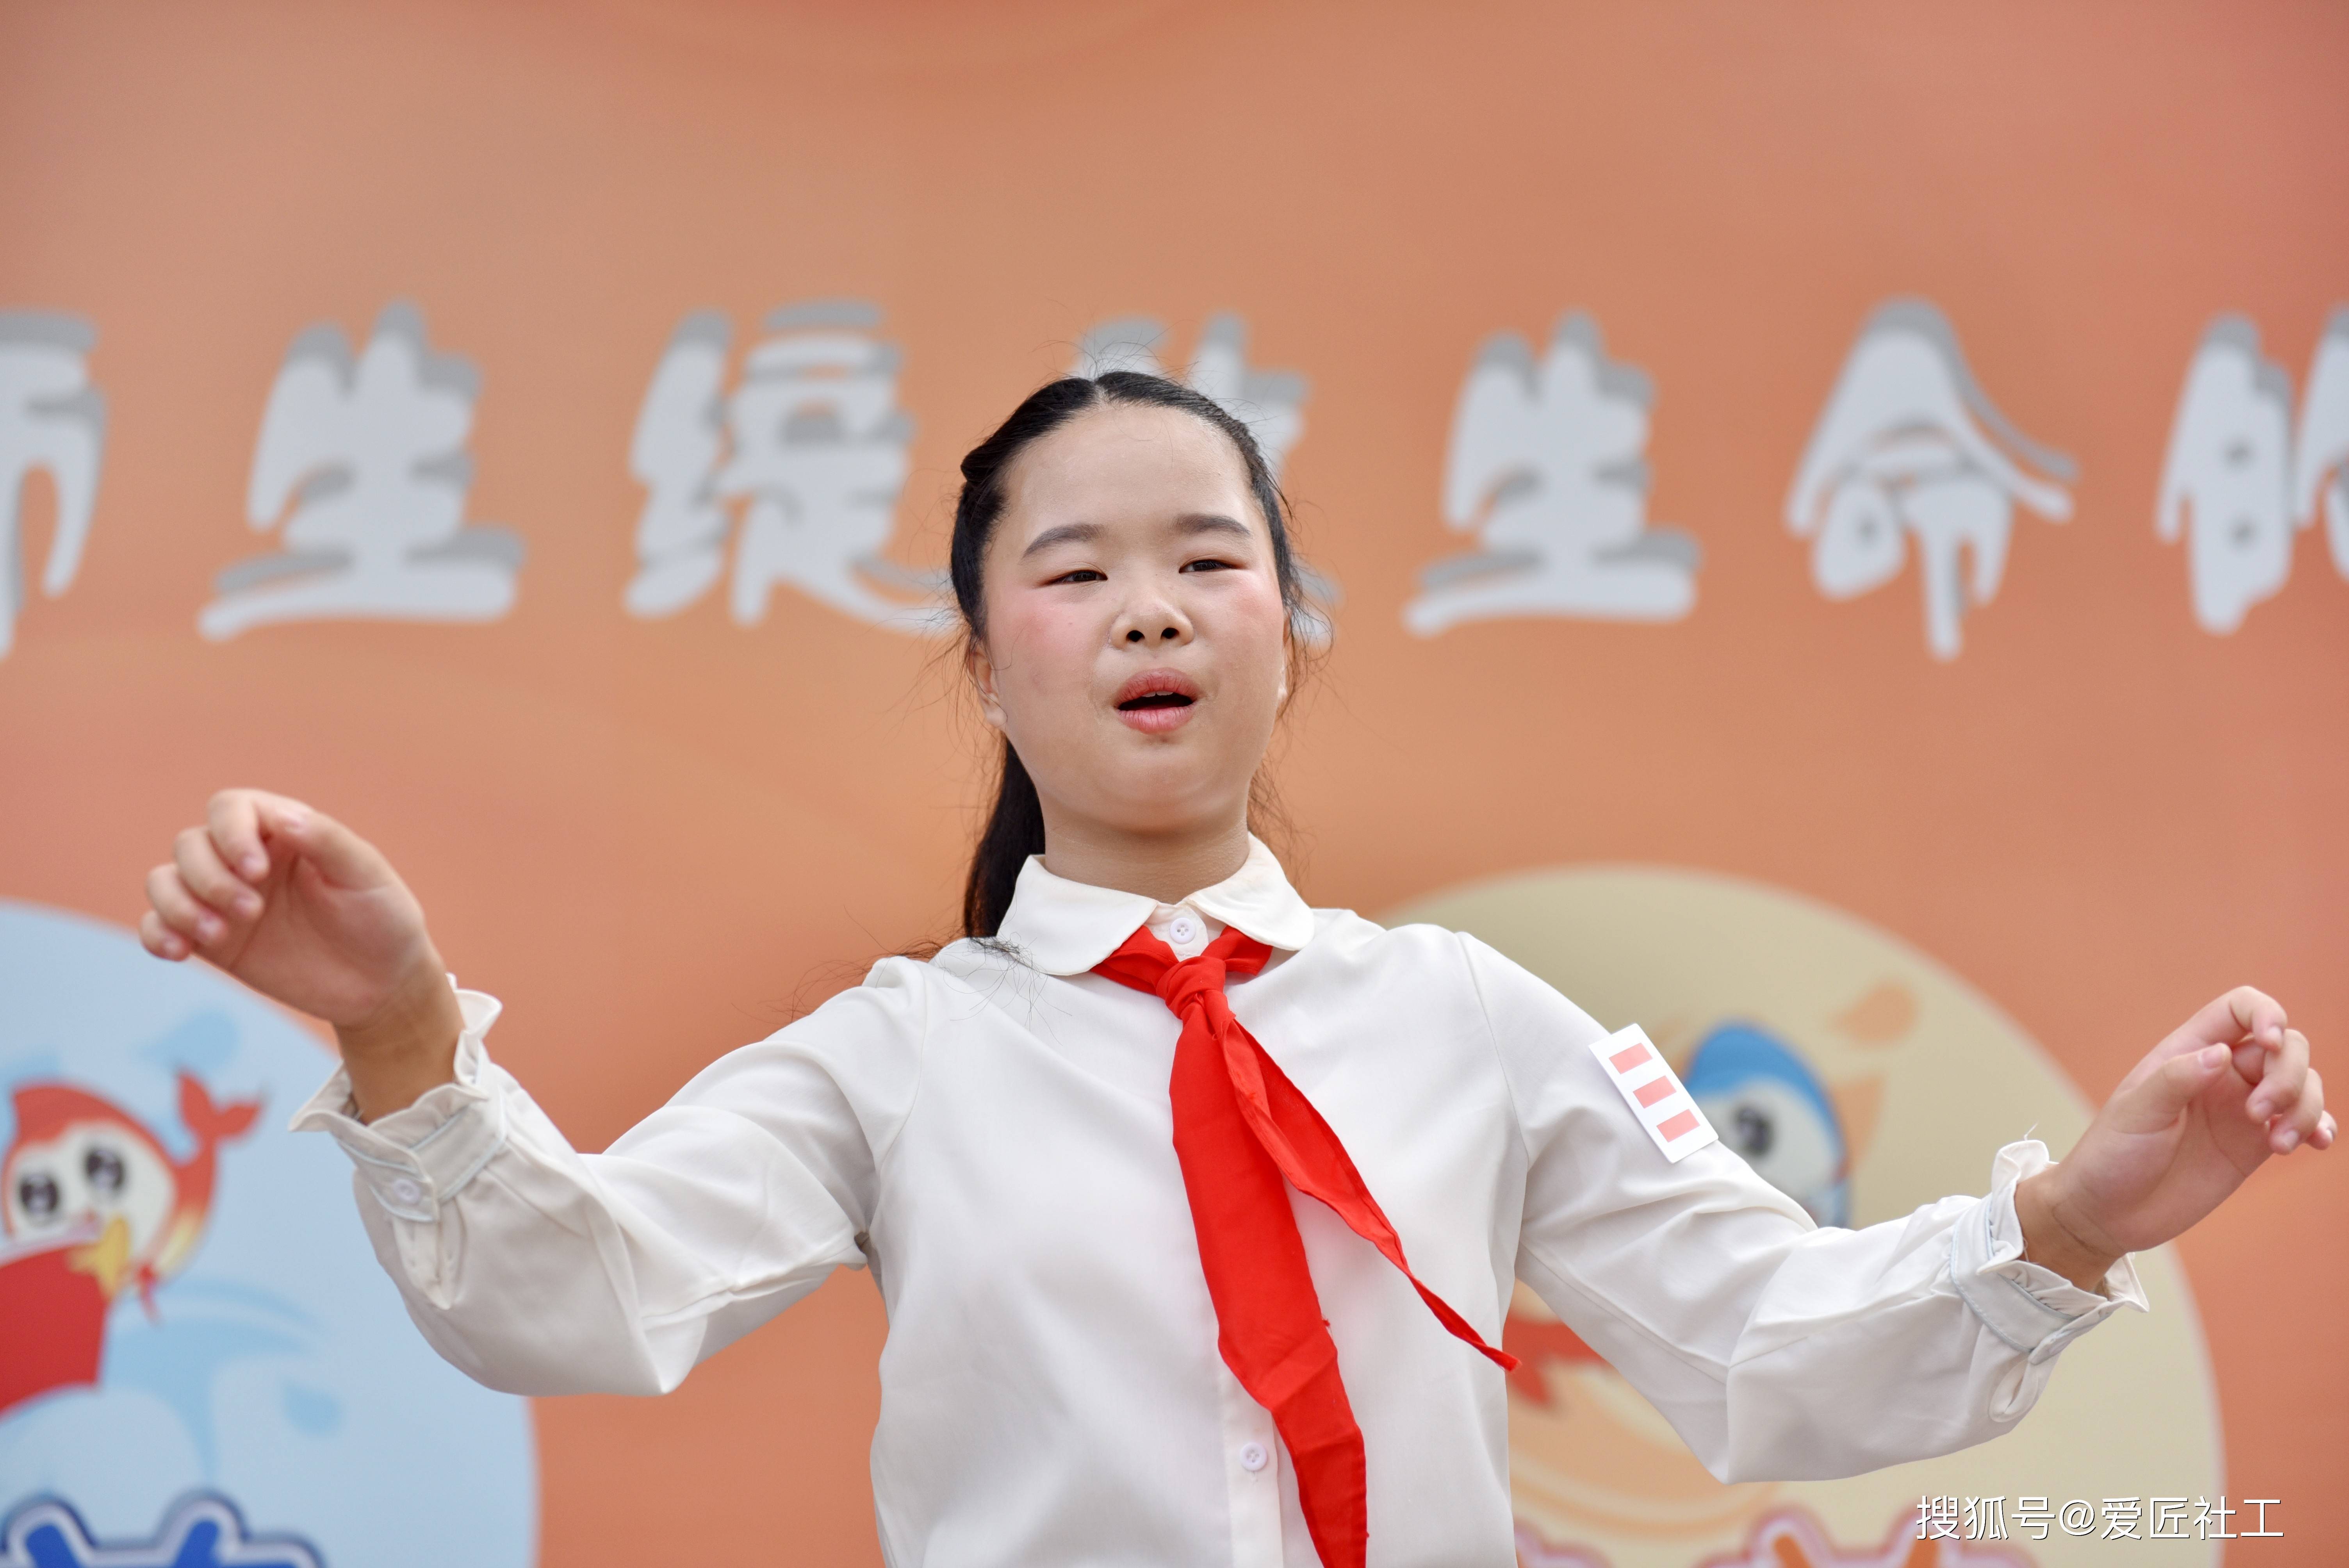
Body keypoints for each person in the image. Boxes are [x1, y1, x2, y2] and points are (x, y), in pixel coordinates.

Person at [139, 372, 2331, 1568]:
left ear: (1298, 630)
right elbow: (578, 1296)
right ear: (986, 664)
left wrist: (2078, 1220)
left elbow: (1761, 1350)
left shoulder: (1462, 1019)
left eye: (1211, 559)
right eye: (1077, 570)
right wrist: (399, 1021)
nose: (1156, 609)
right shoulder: (899, 1059)